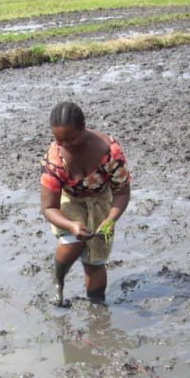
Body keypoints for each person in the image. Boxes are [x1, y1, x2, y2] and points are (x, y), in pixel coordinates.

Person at [40, 101, 131, 306]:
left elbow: (122, 191)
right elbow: (48, 207)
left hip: (100, 200)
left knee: (95, 260)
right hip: (69, 199)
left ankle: (97, 306)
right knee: (74, 240)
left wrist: (110, 219)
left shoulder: (110, 152)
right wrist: (71, 225)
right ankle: (58, 280)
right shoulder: (55, 160)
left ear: (83, 128)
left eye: (71, 138)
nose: (66, 145)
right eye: (59, 139)